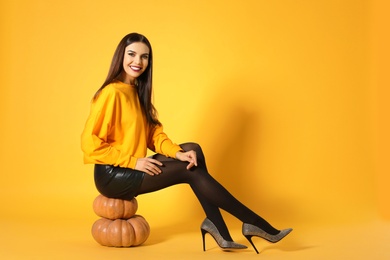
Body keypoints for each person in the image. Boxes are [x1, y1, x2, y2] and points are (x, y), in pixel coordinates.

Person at [81, 32, 292, 254]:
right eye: (132, 54)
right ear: (120, 57)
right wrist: (132, 162)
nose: (137, 62)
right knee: (190, 172)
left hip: (130, 166)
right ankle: (252, 221)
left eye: (144, 57)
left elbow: (153, 135)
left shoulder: (136, 91)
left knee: (193, 150)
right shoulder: (111, 93)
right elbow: (89, 143)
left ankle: (217, 226)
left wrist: (177, 153)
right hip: (112, 174)